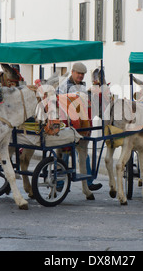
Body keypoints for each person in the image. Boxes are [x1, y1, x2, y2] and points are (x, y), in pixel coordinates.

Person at [57, 62, 102, 191]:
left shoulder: (82, 85)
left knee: (84, 154)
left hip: (81, 126)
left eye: (83, 74)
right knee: (64, 153)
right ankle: (60, 184)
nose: (81, 76)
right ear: (72, 72)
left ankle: (88, 182)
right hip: (67, 125)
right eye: (79, 73)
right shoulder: (64, 86)